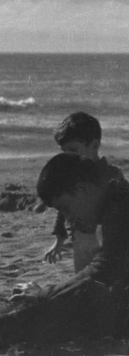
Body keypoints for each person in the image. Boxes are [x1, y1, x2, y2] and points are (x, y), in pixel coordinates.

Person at [0, 153, 128, 347]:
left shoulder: (121, 208)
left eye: (66, 208)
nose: (69, 218)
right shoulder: (118, 199)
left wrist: (43, 295)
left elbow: (104, 270)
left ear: (82, 189)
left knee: (76, 302)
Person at [43, 113, 124, 270]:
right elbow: (63, 208)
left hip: (106, 237)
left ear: (94, 146)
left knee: (105, 274)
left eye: (73, 149)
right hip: (79, 236)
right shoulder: (71, 176)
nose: (67, 156)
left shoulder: (112, 174)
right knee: (81, 278)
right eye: (63, 151)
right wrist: (59, 240)